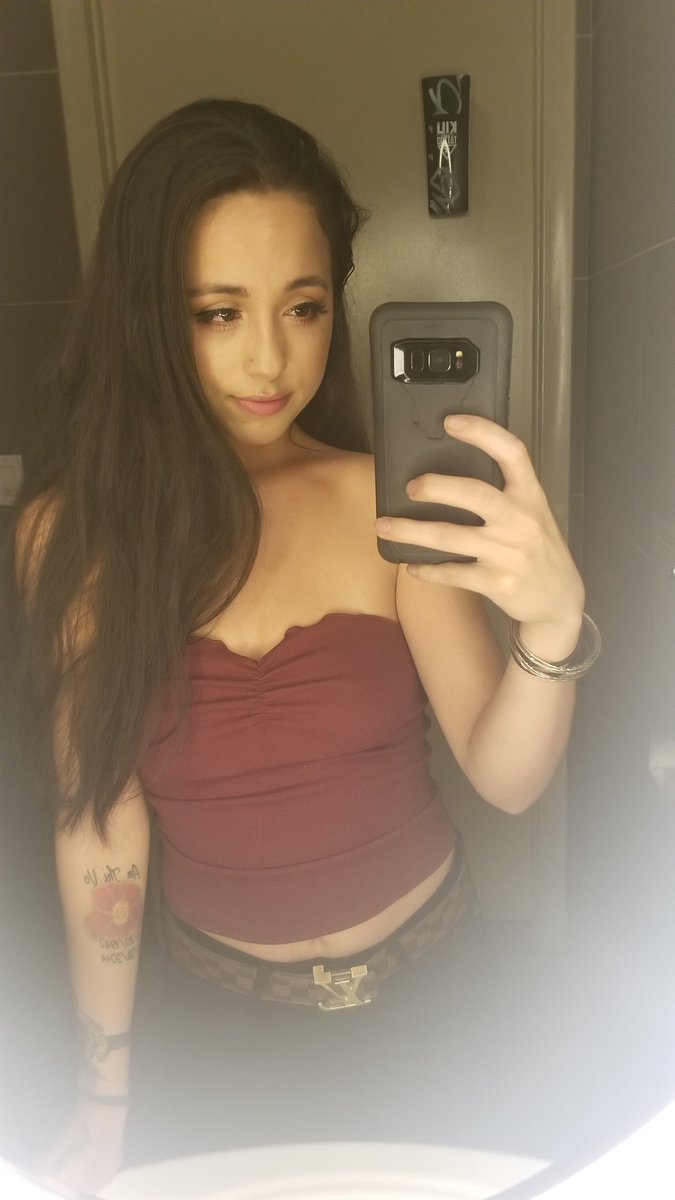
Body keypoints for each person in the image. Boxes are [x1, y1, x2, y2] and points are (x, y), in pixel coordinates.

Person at [7, 98, 597, 1195]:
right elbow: (101, 827)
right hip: (223, 1028)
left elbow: (506, 777)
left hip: (445, 1000)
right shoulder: (72, 534)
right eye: (217, 312)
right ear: (148, 317)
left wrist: (552, 625)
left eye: (304, 306)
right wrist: (104, 1093)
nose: (270, 357)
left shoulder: (382, 499)